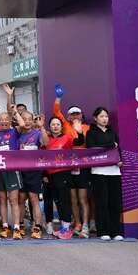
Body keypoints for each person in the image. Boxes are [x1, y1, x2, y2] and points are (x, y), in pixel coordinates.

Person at [53, 98, 92, 237]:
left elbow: (91, 144)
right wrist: (58, 98)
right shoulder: (65, 126)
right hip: (69, 167)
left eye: (77, 114)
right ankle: (78, 223)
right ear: (68, 117)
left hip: (83, 167)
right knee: (73, 199)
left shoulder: (88, 128)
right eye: (72, 114)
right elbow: (56, 112)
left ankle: (86, 225)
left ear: (81, 115)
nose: (75, 116)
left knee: (83, 199)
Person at [85, 107, 124, 241]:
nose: (104, 119)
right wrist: (110, 145)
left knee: (115, 202)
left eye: (106, 116)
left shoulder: (112, 132)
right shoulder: (91, 133)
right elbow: (92, 148)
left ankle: (116, 231)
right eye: (101, 116)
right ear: (95, 118)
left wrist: (120, 160)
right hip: (98, 171)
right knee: (102, 202)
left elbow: (118, 148)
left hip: (114, 171)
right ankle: (103, 231)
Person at [45, 116, 83, 240]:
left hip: (63, 173)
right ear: (49, 127)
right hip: (50, 175)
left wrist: (79, 132)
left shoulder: (67, 138)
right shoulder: (47, 140)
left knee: (64, 200)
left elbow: (79, 142)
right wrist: (44, 175)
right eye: (53, 124)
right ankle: (63, 227)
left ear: (61, 127)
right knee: (57, 201)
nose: (55, 126)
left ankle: (67, 229)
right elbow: (41, 158)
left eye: (58, 124)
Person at [15, 109, 47, 239]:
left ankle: (37, 226)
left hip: (34, 171)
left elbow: (46, 143)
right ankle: (21, 225)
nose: (27, 122)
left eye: (30, 119)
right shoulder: (17, 134)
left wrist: (42, 127)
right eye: (24, 119)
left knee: (34, 198)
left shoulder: (37, 133)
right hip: (20, 171)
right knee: (21, 199)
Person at [0, 111, 23, 240]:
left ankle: (16, 227)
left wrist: (15, 112)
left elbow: (22, 124)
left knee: (13, 200)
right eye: (2, 119)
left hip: (12, 169)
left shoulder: (14, 131)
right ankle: (5, 226)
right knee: (2, 199)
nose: (4, 121)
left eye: (6, 119)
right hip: (0, 169)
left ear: (10, 120)